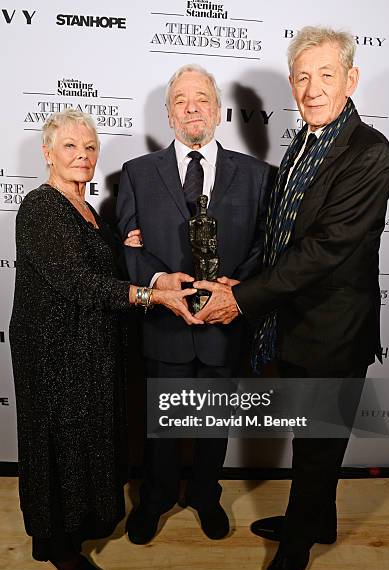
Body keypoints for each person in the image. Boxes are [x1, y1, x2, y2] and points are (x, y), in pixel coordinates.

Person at [193, 27, 389, 570]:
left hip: (335, 331)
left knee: (316, 447)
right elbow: (283, 235)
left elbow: (328, 248)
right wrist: (244, 281)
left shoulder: (368, 151)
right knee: (313, 442)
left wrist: (247, 298)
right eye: (302, 76)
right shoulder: (304, 141)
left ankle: (294, 556)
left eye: (326, 75)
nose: (312, 88)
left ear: (351, 79)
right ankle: (318, 520)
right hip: (295, 323)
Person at [9, 109, 198, 570]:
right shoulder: (40, 206)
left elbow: (106, 265)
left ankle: (75, 528)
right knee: (59, 442)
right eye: (70, 147)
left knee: (86, 440)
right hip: (53, 350)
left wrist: (132, 251)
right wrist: (152, 295)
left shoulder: (90, 211)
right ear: (47, 152)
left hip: (90, 348)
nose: (82, 156)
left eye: (90, 148)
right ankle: (55, 543)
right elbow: (77, 282)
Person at [116, 64, 272, 545]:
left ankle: (205, 495)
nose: (191, 107)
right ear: (168, 113)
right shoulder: (137, 174)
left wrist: (235, 291)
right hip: (165, 323)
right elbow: (127, 245)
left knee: (215, 423)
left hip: (226, 322)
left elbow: (267, 248)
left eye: (201, 98)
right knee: (162, 423)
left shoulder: (260, 176)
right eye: (181, 100)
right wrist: (161, 282)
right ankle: (156, 498)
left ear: (219, 109)